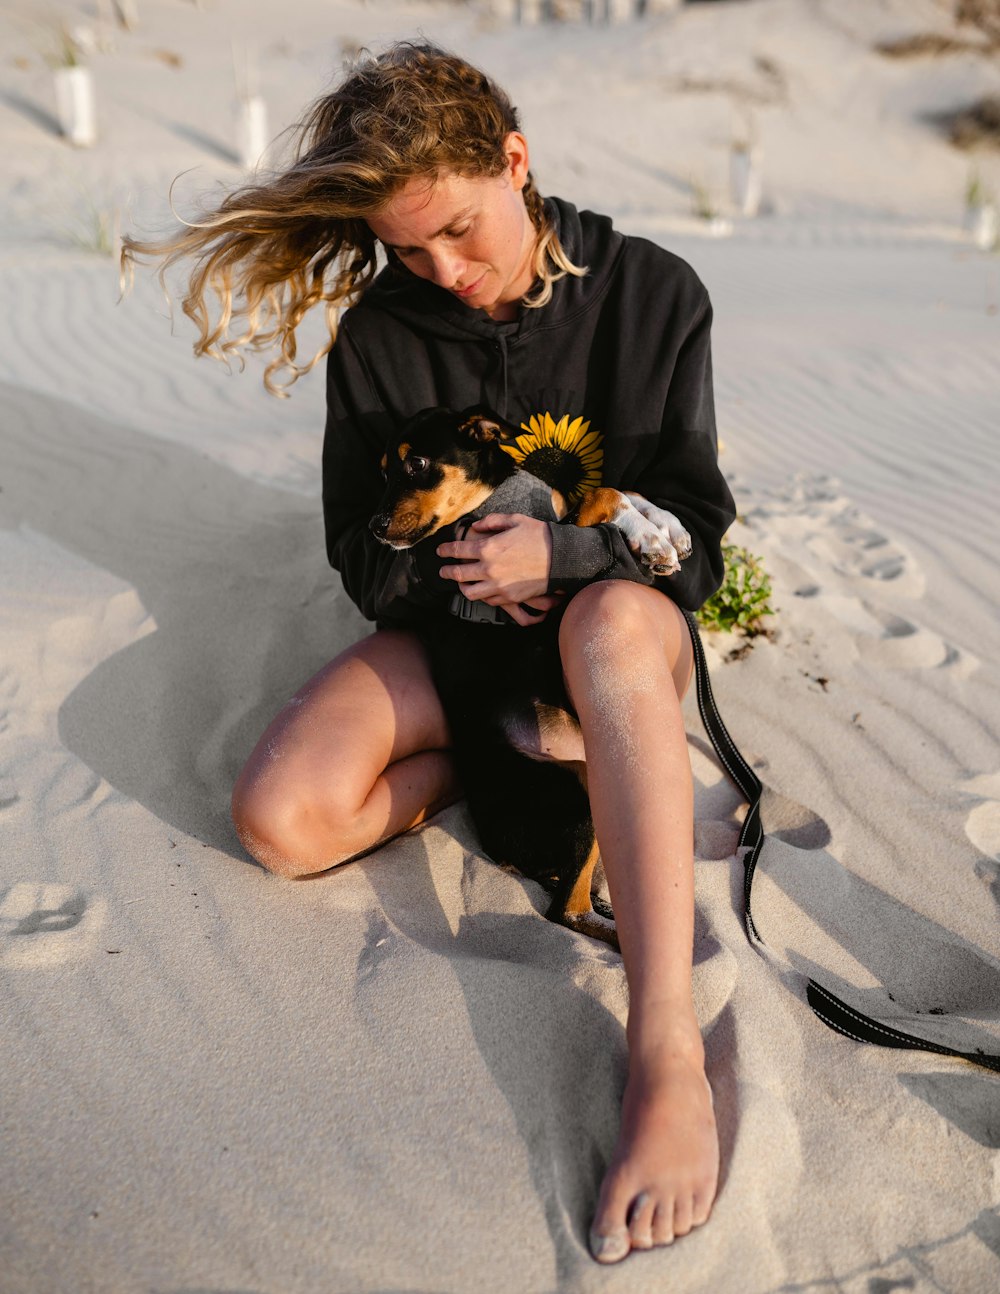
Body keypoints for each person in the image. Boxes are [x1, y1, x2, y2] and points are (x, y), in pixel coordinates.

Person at [123, 41, 735, 1264]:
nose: (441, 272)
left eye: (457, 229)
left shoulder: (653, 294)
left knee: (612, 631)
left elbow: (697, 548)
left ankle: (662, 1042)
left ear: (515, 161)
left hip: (614, 630)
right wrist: (469, 564)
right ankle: (507, 759)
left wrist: (557, 564)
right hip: (453, 648)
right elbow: (362, 558)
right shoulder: (380, 337)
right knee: (283, 818)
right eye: (407, 249)